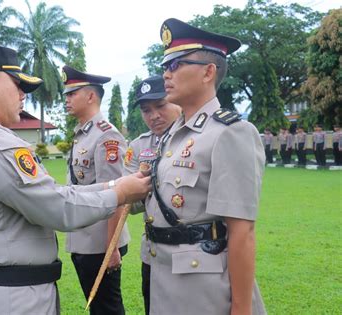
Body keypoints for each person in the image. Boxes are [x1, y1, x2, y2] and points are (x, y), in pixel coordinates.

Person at [0, 45, 151, 314]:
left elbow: (55, 191)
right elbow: (56, 206)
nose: (23, 94)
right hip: (8, 300)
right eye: (17, 84)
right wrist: (119, 194)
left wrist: (113, 185)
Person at [140, 18, 266, 314]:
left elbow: (242, 231)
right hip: (164, 274)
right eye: (164, 67)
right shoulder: (173, 134)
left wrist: (241, 308)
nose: (166, 74)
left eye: (176, 65)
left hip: (204, 287)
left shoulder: (230, 132)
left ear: (208, 72)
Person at [62, 65, 129, 315]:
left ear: (90, 96)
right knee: (98, 308)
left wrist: (111, 248)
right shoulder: (82, 133)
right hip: (84, 237)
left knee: (107, 309)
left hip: (99, 242)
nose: (66, 100)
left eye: (72, 94)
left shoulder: (105, 136)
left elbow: (117, 194)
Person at [123, 75, 181, 315]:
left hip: (190, 253)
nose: (154, 115)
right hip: (153, 252)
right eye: (147, 110)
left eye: (160, 106)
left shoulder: (197, 139)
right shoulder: (138, 147)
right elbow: (131, 205)